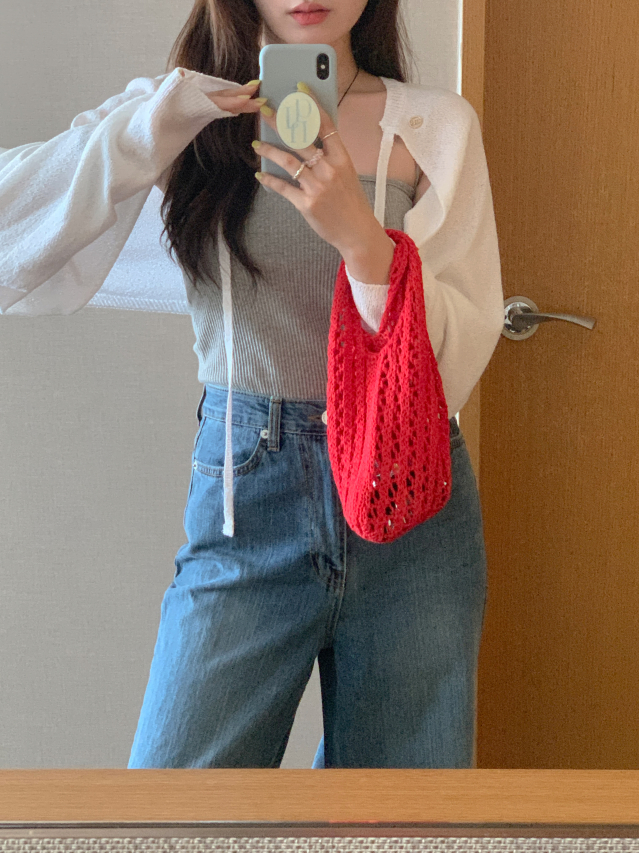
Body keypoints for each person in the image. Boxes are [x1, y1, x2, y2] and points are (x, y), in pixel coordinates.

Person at [0, 0, 504, 768]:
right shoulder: (185, 114)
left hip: (406, 505)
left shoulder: (434, 127)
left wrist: (362, 241)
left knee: (402, 817)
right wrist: (158, 124)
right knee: (174, 811)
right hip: (246, 493)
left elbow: (456, 351)